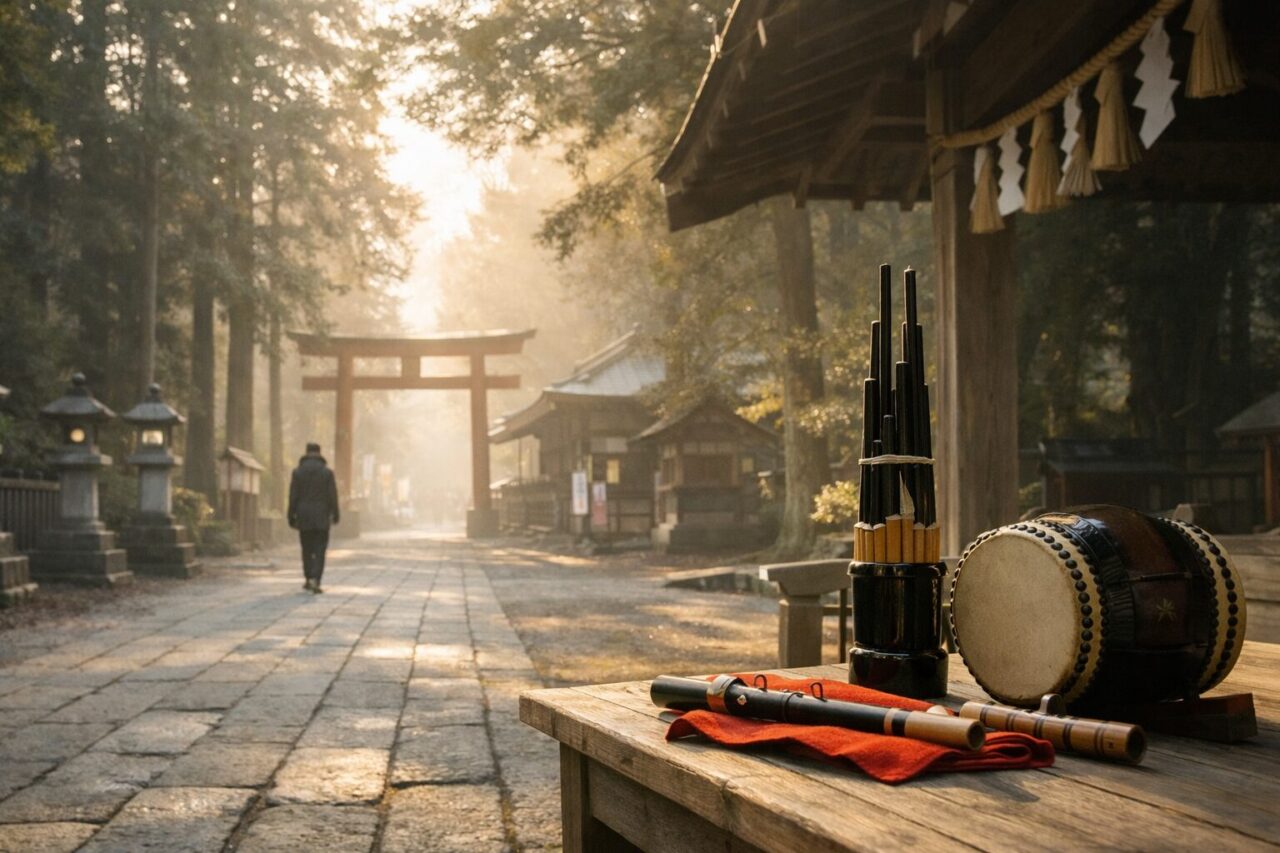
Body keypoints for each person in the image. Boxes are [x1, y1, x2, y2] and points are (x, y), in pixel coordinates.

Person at [287, 442, 340, 593]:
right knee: (320, 549)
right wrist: (335, 514)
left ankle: (308, 578)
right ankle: (316, 579)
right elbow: (332, 496)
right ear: (319, 453)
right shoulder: (327, 473)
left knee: (306, 548)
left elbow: (293, 496)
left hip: (304, 516)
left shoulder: (297, 472)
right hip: (322, 515)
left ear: (306, 452)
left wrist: (290, 516)